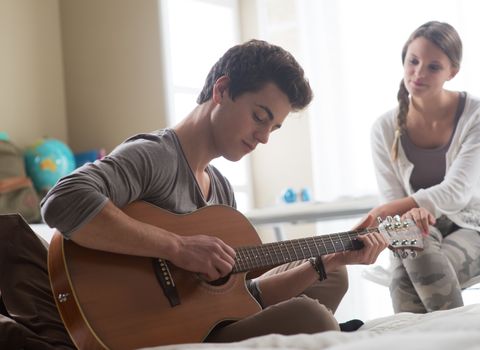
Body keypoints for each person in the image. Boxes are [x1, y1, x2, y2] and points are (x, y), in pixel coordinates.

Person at [0, 39, 387, 349]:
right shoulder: (154, 155)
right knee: (313, 319)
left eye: (275, 128)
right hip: (144, 324)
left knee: (332, 280)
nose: (264, 137)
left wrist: (327, 261)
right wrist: (177, 248)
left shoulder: (218, 188)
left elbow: (241, 298)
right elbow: (62, 200)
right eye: (260, 116)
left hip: (203, 325)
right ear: (222, 90)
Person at [368, 21, 480, 313]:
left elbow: (457, 192)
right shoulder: (383, 128)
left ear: (452, 72)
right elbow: (392, 203)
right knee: (411, 251)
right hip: (419, 230)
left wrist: (404, 209)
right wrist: (408, 212)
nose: (419, 73)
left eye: (433, 67)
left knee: (412, 270)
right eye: (413, 61)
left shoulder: (478, 113)